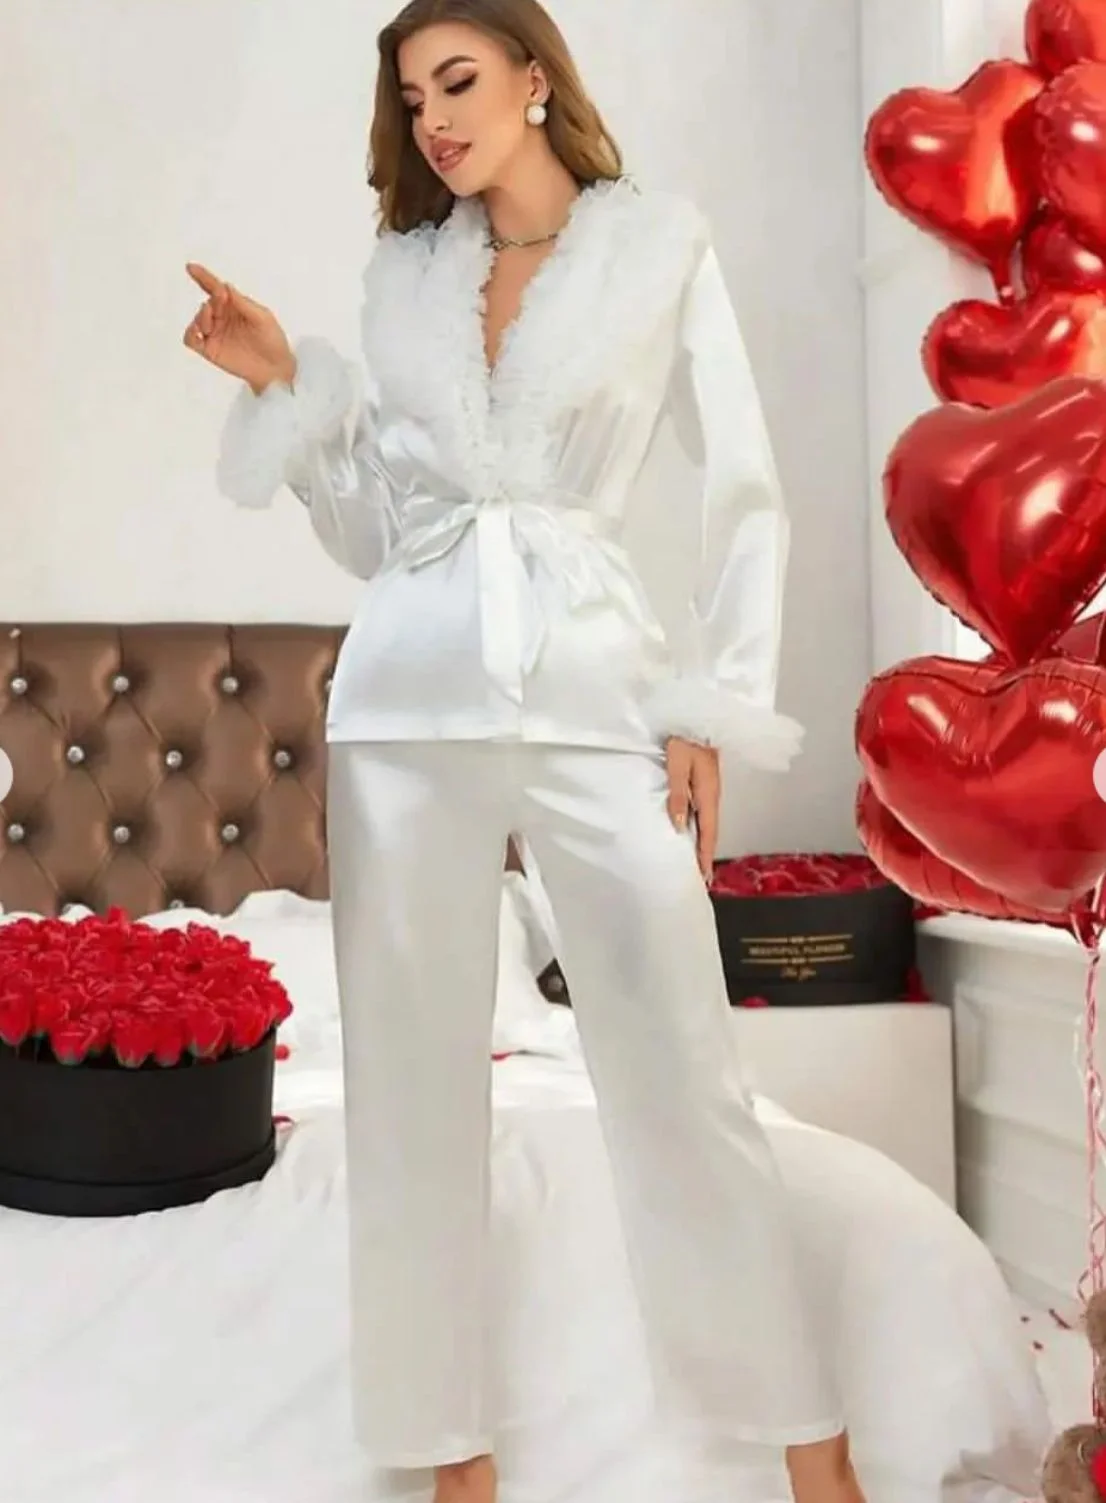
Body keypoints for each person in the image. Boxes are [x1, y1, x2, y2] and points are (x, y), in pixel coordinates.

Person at [182, 3, 866, 1501]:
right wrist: (280, 385)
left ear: (534, 80)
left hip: (592, 695)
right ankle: (453, 1461)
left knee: (682, 1071)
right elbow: (382, 528)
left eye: (459, 80)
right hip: (403, 714)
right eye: (413, 94)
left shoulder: (655, 249)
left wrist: (707, 702)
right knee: (410, 1093)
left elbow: (745, 486)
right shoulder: (409, 276)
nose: (434, 117)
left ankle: (815, 1454)